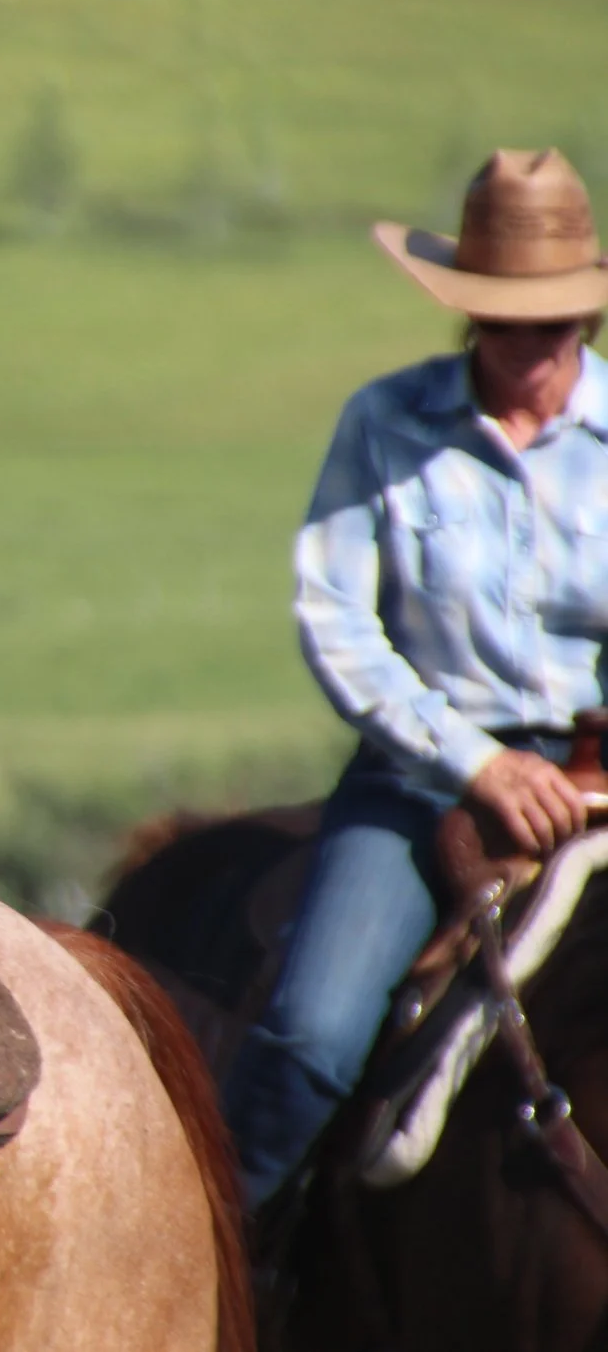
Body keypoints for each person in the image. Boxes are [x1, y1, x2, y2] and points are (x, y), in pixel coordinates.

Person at [221, 148, 608, 1211]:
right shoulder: (385, 424)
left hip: (597, 777)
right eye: (503, 319)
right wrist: (478, 763)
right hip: (419, 776)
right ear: (465, 312)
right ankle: (228, 1251)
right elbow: (336, 619)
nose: (528, 346)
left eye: (553, 321)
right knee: (312, 1026)